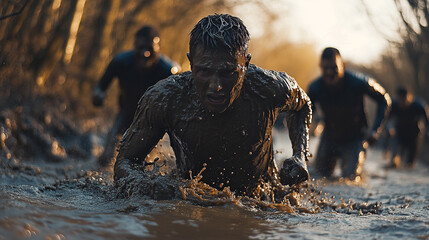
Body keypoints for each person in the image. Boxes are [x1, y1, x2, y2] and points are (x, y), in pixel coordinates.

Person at [114, 14, 312, 196]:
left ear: (246, 64)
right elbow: (125, 163)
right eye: (204, 72)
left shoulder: (270, 87)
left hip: (261, 200)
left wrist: (300, 156)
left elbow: (303, 106)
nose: (216, 86)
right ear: (191, 63)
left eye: (228, 73)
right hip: (192, 203)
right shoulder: (165, 98)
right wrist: (150, 187)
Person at [92, 25, 179, 166]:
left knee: (145, 162)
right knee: (107, 158)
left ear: (158, 48)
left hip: (154, 121)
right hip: (126, 113)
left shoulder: (168, 70)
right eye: (141, 48)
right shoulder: (121, 62)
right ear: (135, 47)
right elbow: (101, 86)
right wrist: (98, 96)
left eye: (150, 49)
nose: (145, 54)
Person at [307, 47, 391, 180]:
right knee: (318, 178)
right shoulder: (315, 87)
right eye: (325, 68)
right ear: (320, 67)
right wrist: (312, 126)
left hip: (355, 138)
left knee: (351, 179)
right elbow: (306, 112)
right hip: (329, 137)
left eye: (334, 68)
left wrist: (375, 129)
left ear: (343, 66)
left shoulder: (359, 82)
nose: (329, 72)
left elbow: (384, 99)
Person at [386, 87, 429, 168]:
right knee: (394, 140)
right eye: (399, 99)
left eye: (403, 99)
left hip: (414, 132)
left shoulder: (418, 105)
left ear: (408, 97)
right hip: (399, 130)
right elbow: (387, 119)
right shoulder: (394, 105)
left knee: (410, 159)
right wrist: (389, 128)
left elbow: (427, 120)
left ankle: (410, 164)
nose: (401, 102)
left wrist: (427, 131)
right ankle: (395, 160)